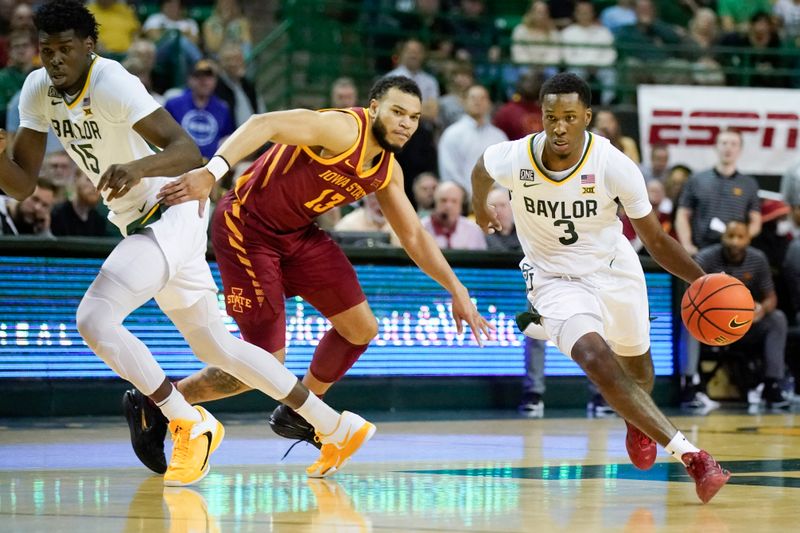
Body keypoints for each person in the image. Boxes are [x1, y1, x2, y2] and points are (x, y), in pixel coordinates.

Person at [2, 0, 375, 486]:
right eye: (45, 50)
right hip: (138, 221)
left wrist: (135, 168)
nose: (53, 60)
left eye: (65, 49)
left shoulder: (111, 80)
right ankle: (335, 425)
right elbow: (21, 184)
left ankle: (187, 420)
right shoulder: (37, 89)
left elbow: (186, 150)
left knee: (94, 317)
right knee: (219, 347)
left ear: (88, 47)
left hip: (172, 208)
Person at [126, 75, 492, 471]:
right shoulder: (341, 129)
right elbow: (263, 124)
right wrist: (212, 172)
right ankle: (156, 401)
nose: (406, 123)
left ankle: (299, 412)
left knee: (361, 329)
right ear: (373, 108)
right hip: (246, 227)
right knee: (262, 366)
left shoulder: (387, 169)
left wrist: (458, 290)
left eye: (414, 117)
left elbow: (414, 236)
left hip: (298, 235)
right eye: (397, 112)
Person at [470, 72, 730, 503]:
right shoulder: (515, 157)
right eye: (551, 116)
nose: (558, 127)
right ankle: (695, 458)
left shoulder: (612, 164)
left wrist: (702, 281)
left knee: (640, 373)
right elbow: (481, 169)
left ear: (586, 118)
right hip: (554, 279)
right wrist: (480, 207)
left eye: (569, 117)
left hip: (613, 268)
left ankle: (636, 419)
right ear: (541, 117)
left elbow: (657, 241)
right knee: (597, 358)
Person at [691, 220, 789, 409]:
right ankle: (690, 385)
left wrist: (761, 309)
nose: (735, 242)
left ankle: (772, 385)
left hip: (744, 326)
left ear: (748, 239)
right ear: (723, 238)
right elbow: (691, 294)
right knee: (687, 320)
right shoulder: (706, 258)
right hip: (710, 325)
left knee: (777, 318)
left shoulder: (758, 259)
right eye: (730, 236)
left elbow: (771, 297)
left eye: (740, 237)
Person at [675, 128, 761, 256]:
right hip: (701, 250)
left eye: (733, 144)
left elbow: (756, 220)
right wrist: (686, 244)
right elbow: (682, 214)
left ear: (740, 149)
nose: (728, 148)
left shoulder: (749, 184)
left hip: (734, 253)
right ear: (716, 147)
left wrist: (742, 238)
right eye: (724, 143)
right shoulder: (697, 179)